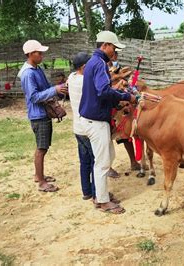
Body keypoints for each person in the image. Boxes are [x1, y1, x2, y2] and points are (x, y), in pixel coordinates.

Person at [79, 31, 136, 214]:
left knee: (107, 157)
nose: (114, 51)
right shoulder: (100, 64)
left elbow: (100, 92)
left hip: (93, 117)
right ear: (105, 45)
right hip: (96, 120)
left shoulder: (92, 63)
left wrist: (117, 101)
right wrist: (125, 96)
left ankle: (100, 194)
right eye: (114, 47)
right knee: (103, 161)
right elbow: (103, 91)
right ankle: (102, 201)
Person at [19, 40, 68, 192]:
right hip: (38, 115)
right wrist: (54, 90)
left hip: (43, 113)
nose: (41, 55)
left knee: (43, 147)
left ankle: (38, 175)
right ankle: (41, 182)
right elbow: (33, 97)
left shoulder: (37, 69)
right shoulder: (28, 73)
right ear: (30, 54)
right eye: (38, 53)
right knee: (41, 148)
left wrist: (58, 88)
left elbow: (45, 88)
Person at [67, 52, 95, 200]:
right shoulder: (85, 81)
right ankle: (97, 194)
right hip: (88, 128)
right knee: (95, 161)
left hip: (77, 128)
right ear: (84, 67)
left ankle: (87, 192)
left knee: (84, 161)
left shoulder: (71, 78)